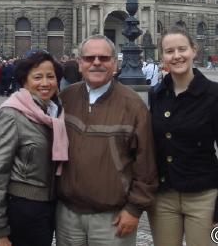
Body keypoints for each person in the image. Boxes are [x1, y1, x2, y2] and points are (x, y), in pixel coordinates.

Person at [56, 34, 158, 246]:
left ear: (115, 63)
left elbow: (146, 165)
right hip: (68, 215)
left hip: (112, 218)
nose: (96, 63)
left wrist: (134, 209)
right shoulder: (66, 98)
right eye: (89, 58)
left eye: (104, 58)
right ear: (80, 63)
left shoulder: (133, 105)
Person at [148, 27, 218, 246]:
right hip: (164, 197)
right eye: (169, 51)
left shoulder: (215, 94)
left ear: (194, 51)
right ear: (163, 57)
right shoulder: (156, 94)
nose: (176, 56)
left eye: (182, 49)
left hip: (203, 197)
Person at [0, 51, 68, 246]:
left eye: (50, 76)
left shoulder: (54, 113)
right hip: (22, 209)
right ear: (24, 81)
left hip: (48, 207)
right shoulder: (10, 115)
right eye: (37, 77)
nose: (45, 83)